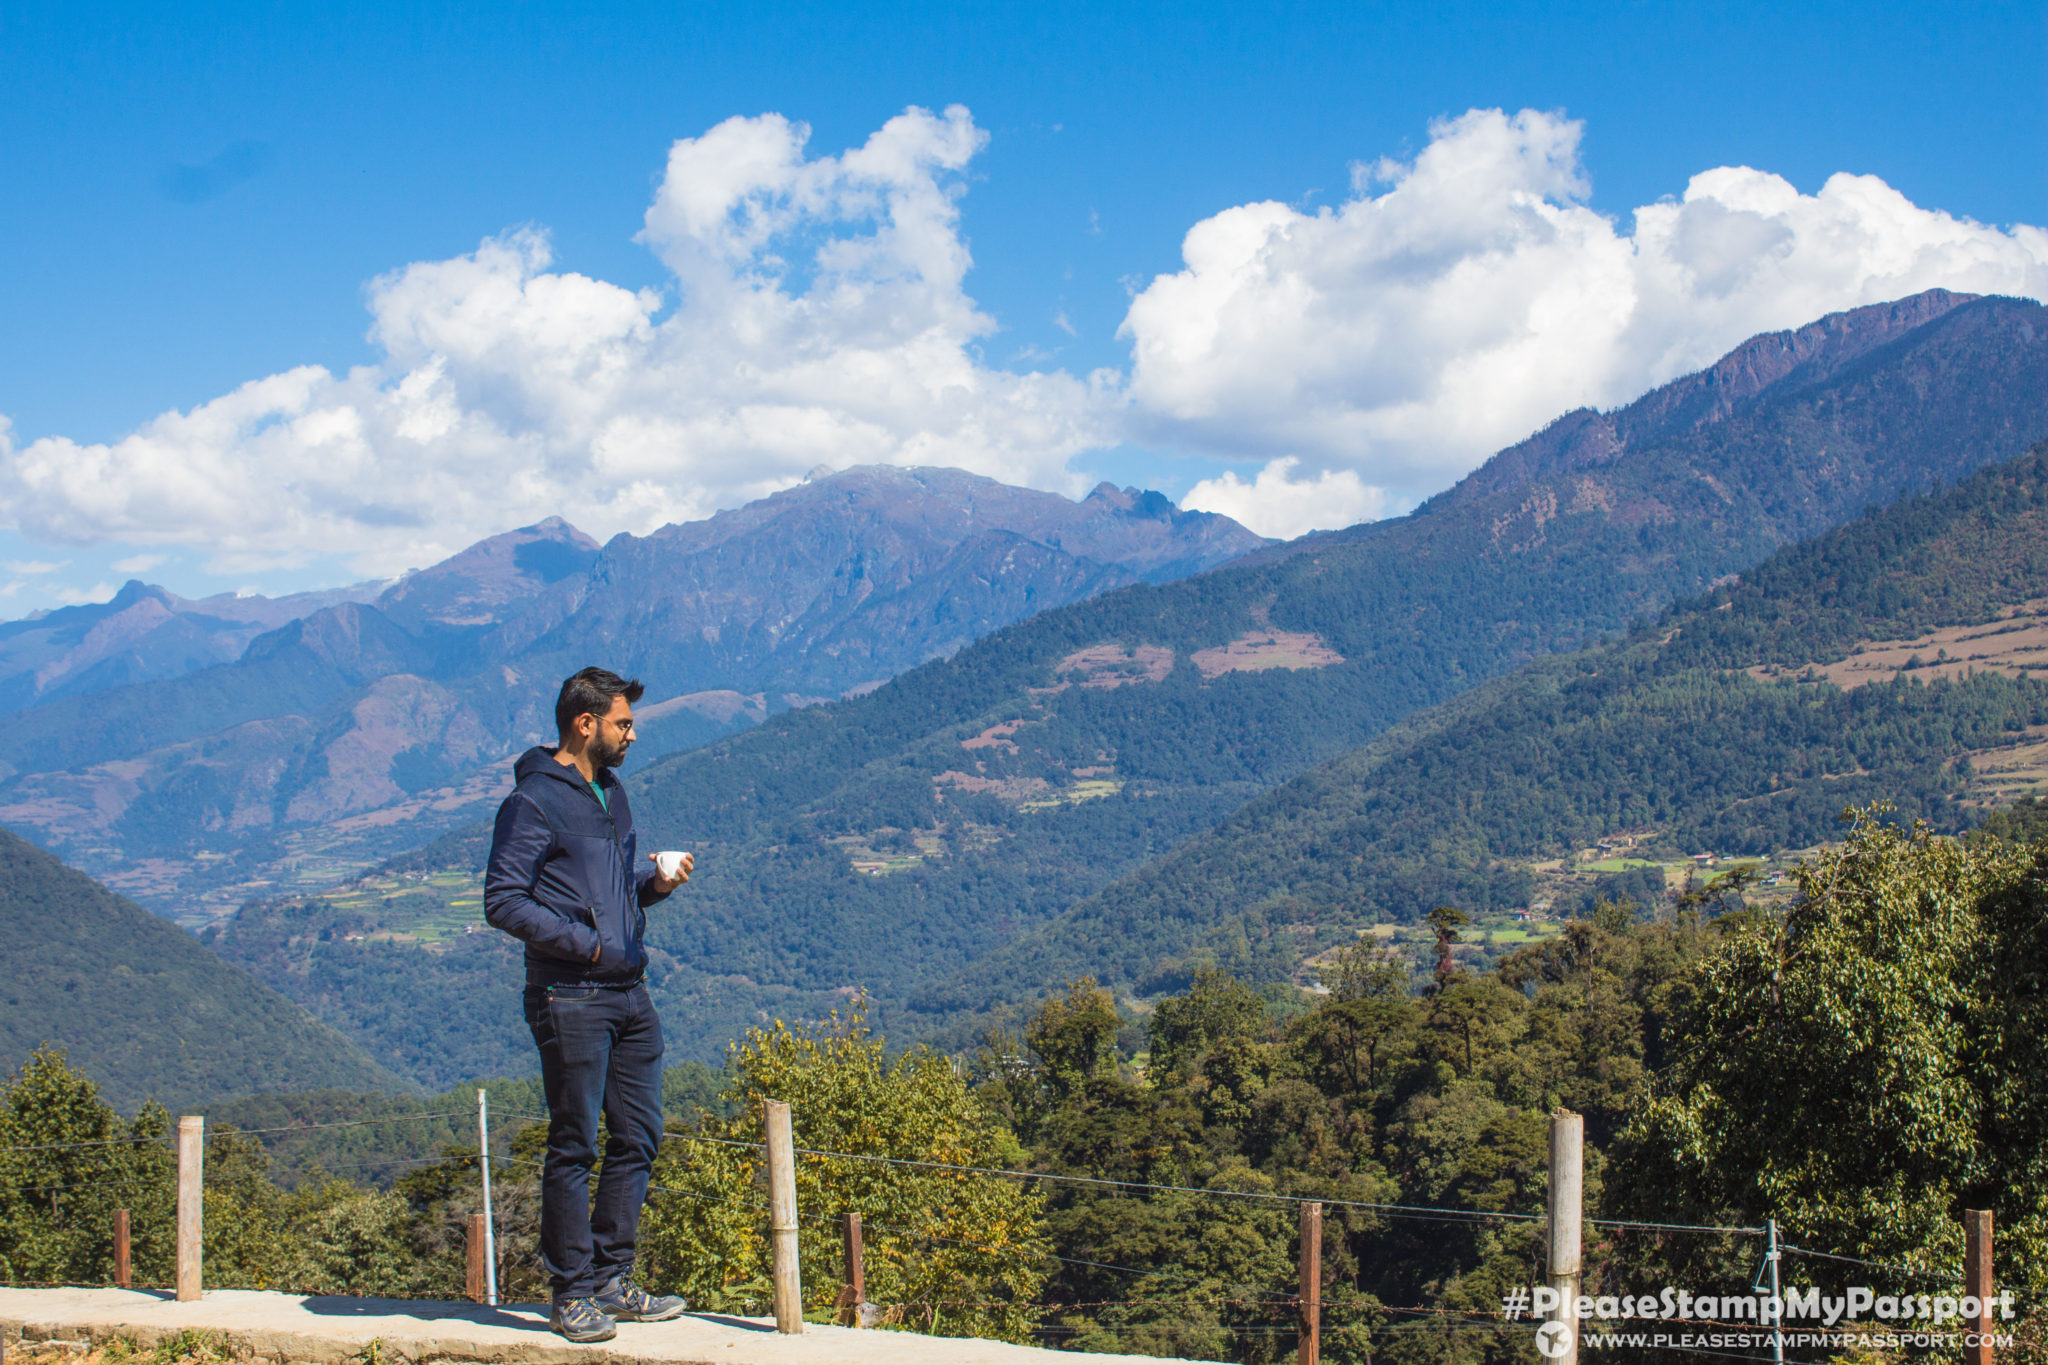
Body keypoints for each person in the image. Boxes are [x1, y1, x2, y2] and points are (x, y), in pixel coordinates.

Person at [484, 666, 694, 1341]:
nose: (632, 733)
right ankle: (570, 1292)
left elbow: (605, 894)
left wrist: (653, 886)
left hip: (628, 992)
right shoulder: (533, 802)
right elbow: (503, 899)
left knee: (638, 1136)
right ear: (585, 723)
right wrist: (589, 946)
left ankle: (611, 1277)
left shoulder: (611, 792)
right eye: (623, 722)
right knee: (574, 1143)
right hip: (569, 993)